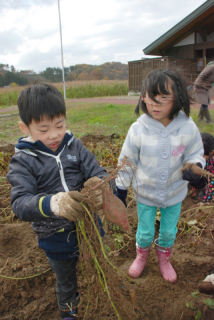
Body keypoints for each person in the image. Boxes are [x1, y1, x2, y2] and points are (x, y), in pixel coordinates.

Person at [6, 84, 109, 320]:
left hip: (91, 228)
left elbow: (99, 171)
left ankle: (107, 289)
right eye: (43, 129)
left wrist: (100, 185)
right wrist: (53, 204)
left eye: (59, 126)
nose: (53, 135)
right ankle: (69, 311)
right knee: (66, 280)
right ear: (25, 127)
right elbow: (20, 203)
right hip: (55, 238)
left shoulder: (75, 147)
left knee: (99, 263)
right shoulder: (23, 162)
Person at [115, 69, 207, 283]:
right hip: (145, 193)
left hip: (174, 192)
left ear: (178, 99)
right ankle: (141, 256)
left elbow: (195, 153)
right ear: (143, 97)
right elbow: (127, 161)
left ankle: (165, 260)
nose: (155, 105)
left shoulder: (187, 127)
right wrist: (120, 187)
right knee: (145, 232)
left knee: (168, 232)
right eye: (150, 98)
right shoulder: (138, 129)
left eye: (163, 99)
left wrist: (194, 167)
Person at [195, 132, 214, 202]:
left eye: (201, 155)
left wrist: (207, 201)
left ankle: (205, 189)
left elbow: (212, 182)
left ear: (211, 152)